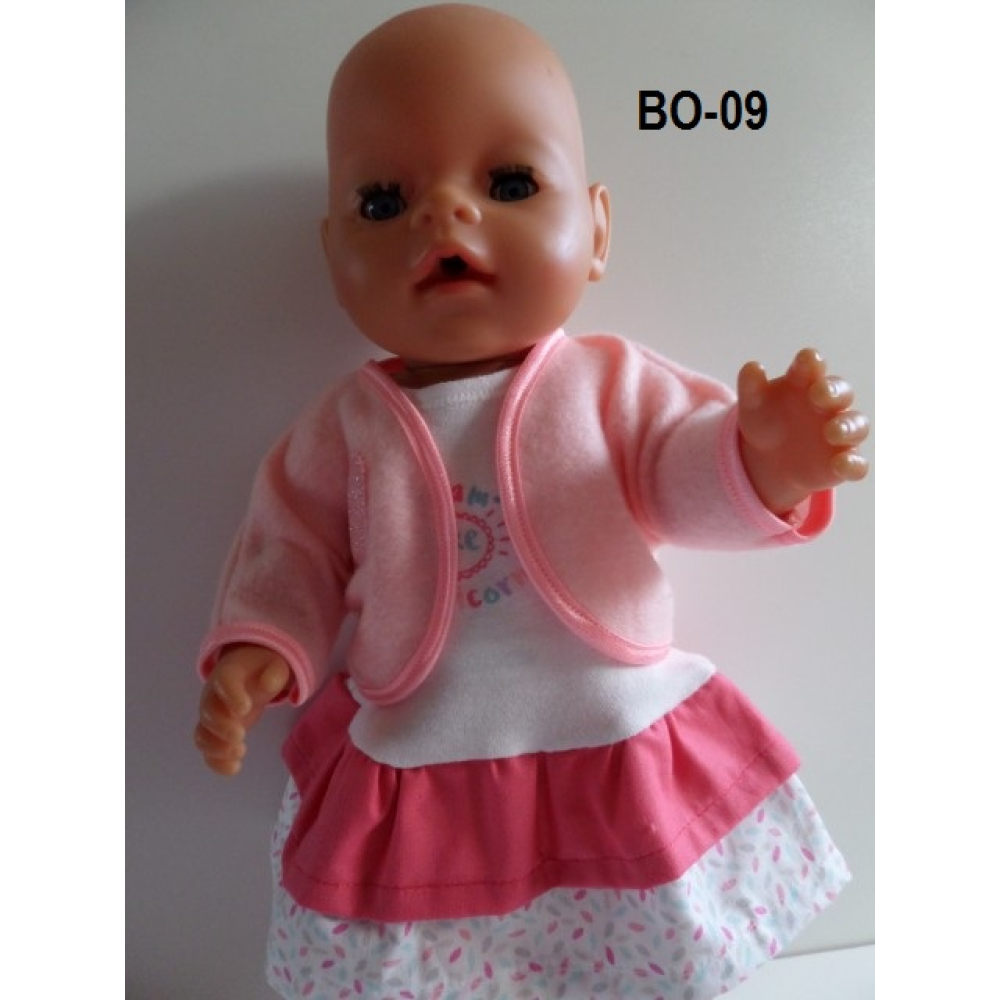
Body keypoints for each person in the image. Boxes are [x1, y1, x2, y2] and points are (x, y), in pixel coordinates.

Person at [193, 4, 869, 997]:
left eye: (509, 184)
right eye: (384, 201)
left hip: (605, 720)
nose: (443, 215)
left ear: (594, 231)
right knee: (426, 940)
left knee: (635, 949)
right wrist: (264, 645)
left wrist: (764, 457)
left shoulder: (606, 384)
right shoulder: (344, 427)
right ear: (335, 255)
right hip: (425, 738)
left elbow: (680, 475)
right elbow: (291, 548)